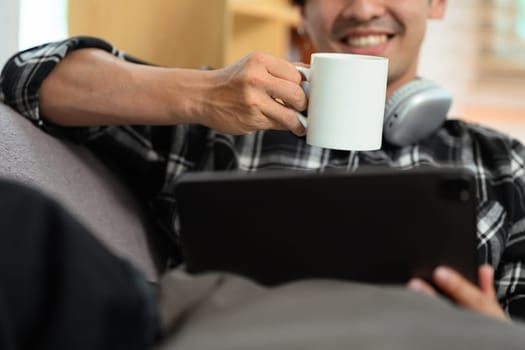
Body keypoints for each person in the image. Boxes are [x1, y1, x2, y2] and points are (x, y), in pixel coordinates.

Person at [1, 0, 525, 347]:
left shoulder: (501, 162)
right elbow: (28, 79)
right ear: (301, 12)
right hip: (233, 331)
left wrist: (493, 330)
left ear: (436, 3)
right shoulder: (225, 111)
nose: (364, 7)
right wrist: (201, 95)